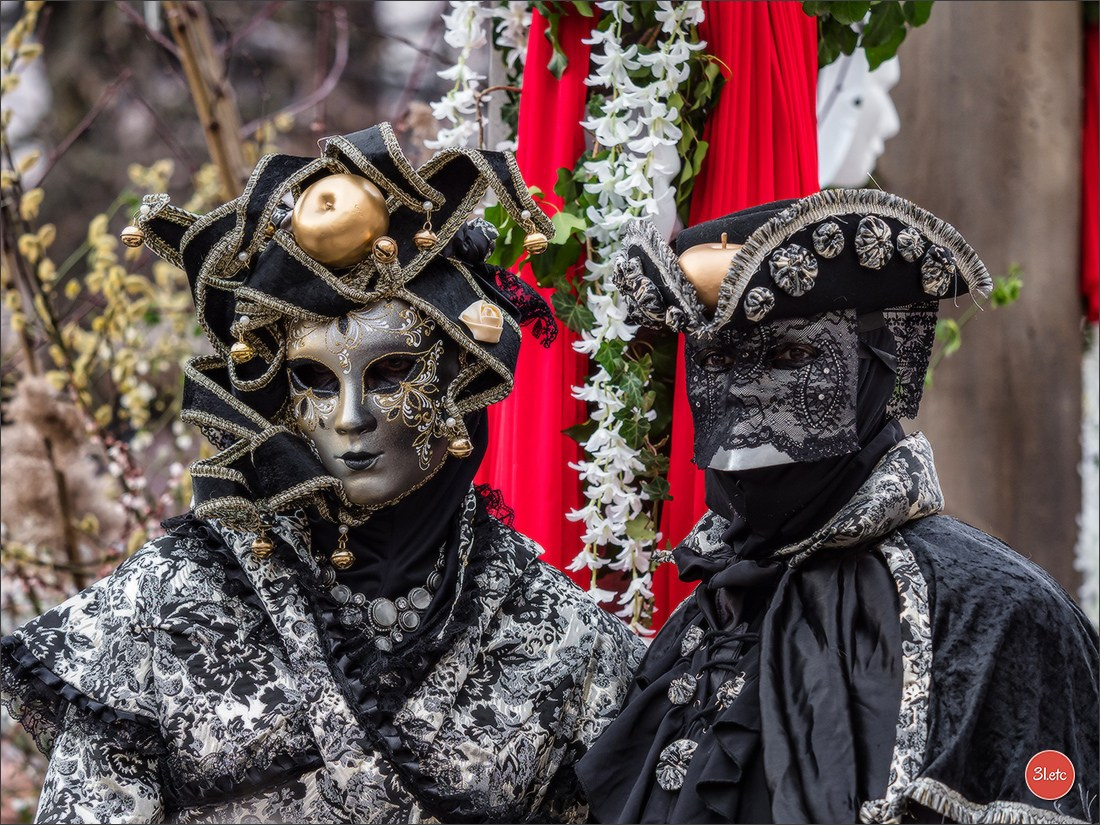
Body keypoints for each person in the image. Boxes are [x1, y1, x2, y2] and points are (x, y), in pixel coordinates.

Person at [1, 123, 644, 824]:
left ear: (467, 373)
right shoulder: (162, 607)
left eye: (391, 369)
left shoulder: (561, 639)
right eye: (311, 377)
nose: (349, 416)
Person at [577, 188, 1099, 823]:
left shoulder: (993, 611)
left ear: (876, 364)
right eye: (718, 361)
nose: (748, 396)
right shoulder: (713, 606)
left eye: (789, 356)